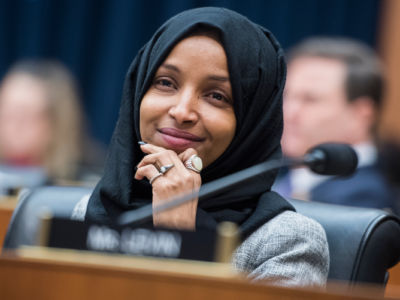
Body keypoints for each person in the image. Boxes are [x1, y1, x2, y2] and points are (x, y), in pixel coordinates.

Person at [82, 7, 329, 287]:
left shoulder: (286, 243)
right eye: (165, 82)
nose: (182, 111)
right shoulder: (88, 211)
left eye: (216, 96)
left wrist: (182, 240)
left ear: (252, 118)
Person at [274, 37, 398, 213]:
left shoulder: (363, 201)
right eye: (287, 95)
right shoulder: (289, 182)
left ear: (360, 116)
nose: (289, 112)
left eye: (310, 99)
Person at [0, 60, 103, 194]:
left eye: (25, 115)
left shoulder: (88, 184)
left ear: (57, 122)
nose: (13, 126)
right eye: (7, 113)